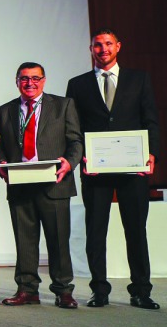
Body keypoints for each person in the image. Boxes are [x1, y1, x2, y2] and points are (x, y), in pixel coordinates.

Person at [66, 28, 160, 310]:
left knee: (136, 230)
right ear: (91, 49)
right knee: (96, 231)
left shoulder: (139, 79)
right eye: (97, 45)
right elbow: (74, 127)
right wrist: (82, 157)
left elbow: (150, 120)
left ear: (118, 46)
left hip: (133, 168)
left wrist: (151, 154)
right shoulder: (78, 84)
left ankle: (141, 290)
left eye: (108, 44)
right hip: (95, 170)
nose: (103, 49)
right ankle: (99, 290)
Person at [0, 62, 81, 309]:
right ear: (16, 81)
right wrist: (1, 162)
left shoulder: (63, 105)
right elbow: (0, 145)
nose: (29, 83)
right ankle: (27, 289)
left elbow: (75, 141)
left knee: (58, 241)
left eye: (35, 78)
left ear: (43, 80)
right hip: (20, 184)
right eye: (24, 79)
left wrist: (70, 163)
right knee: (24, 241)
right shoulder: (4, 110)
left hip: (54, 183)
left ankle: (63, 291)